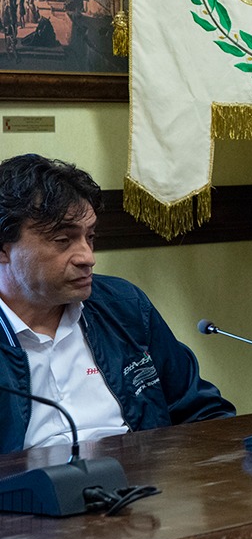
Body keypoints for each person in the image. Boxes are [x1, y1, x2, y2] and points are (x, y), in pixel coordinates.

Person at [0, 154, 235, 454]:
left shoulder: (124, 306)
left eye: (90, 237)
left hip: (138, 477)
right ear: (3, 249)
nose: (88, 257)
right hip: (27, 483)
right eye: (63, 241)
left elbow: (203, 412)